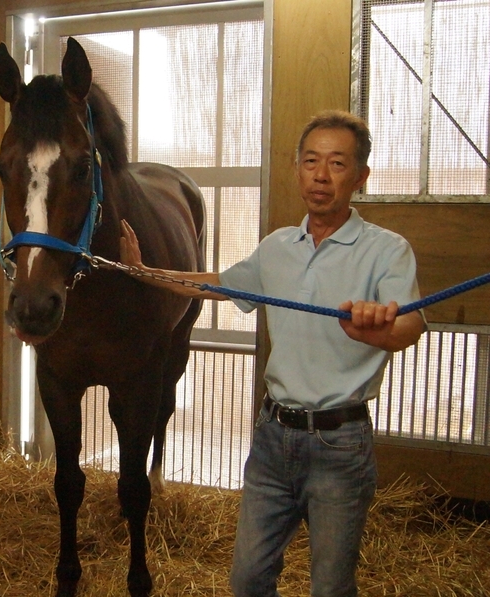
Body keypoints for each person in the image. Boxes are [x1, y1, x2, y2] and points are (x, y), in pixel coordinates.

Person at [119, 110, 425, 597]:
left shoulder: (387, 251)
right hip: (272, 440)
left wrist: (376, 330)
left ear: (361, 176)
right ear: (297, 167)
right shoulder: (278, 247)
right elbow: (218, 285)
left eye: (337, 164)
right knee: (248, 580)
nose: (321, 175)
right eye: (310, 161)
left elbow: (411, 324)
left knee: (329, 587)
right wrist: (143, 272)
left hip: (340, 445)